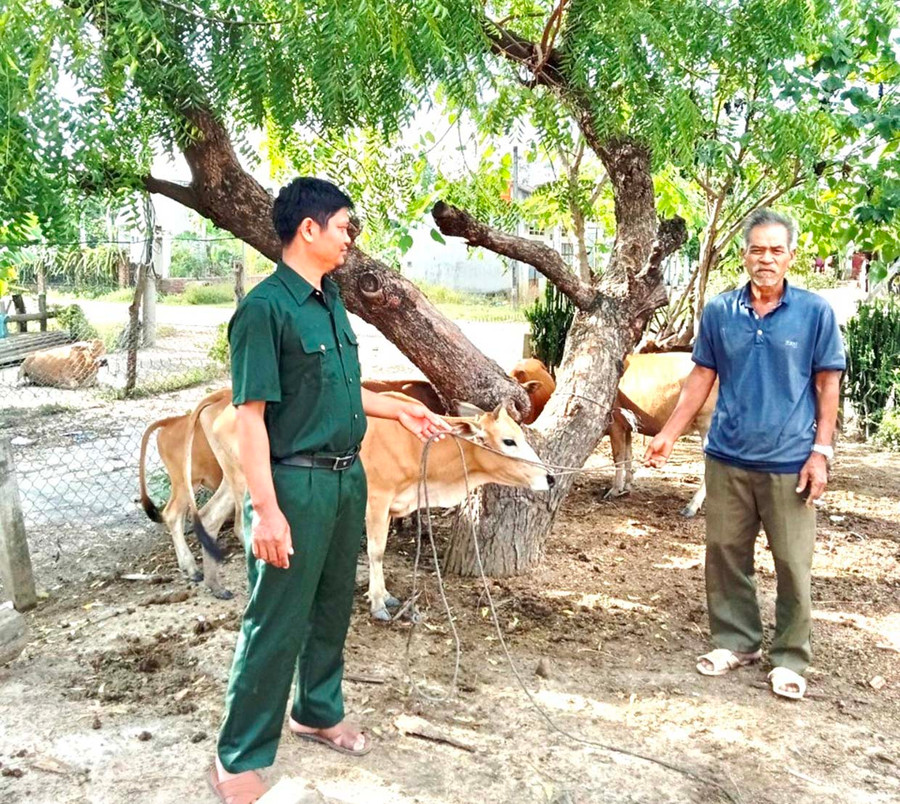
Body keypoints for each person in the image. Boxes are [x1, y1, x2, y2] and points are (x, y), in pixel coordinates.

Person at [209, 177, 450, 803]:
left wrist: (397, 410)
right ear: (308, 229)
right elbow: (251, 419)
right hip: (295, 486)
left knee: (330, 608)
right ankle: (238, 757)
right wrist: (265, 511)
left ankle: (316, 709)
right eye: (344, 225)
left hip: (347, 481)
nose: (351, 237)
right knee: (274, 620)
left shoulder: (330, 300)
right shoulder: (264, 310)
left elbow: (341, 390)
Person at [644, 208, 845, 701]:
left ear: (791, 256)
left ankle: (790, 657)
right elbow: (702, 377)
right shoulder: (720, 312)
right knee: (725, 554)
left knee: (793, 563)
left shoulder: (815, 313)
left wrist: (821, 452)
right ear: (744, 255)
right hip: (727, 456)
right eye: (758, 249)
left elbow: (827, 384)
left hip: (790, 461)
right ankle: (736, 642)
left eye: (777, 250)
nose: (767, 258)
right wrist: (669, 432)